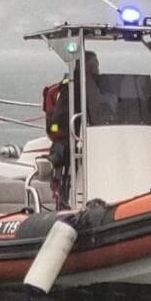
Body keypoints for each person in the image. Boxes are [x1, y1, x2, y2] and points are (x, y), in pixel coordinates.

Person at [41, 52, 114, 205]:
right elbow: (58, 121)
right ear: (85, 67)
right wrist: (68, 133)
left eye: (97, 65)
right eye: (94, 65)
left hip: (93, 134)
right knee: (66, 159)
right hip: (72, 139)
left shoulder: (94, 85)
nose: (97, 69)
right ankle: (66, 200)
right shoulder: (72, 87)